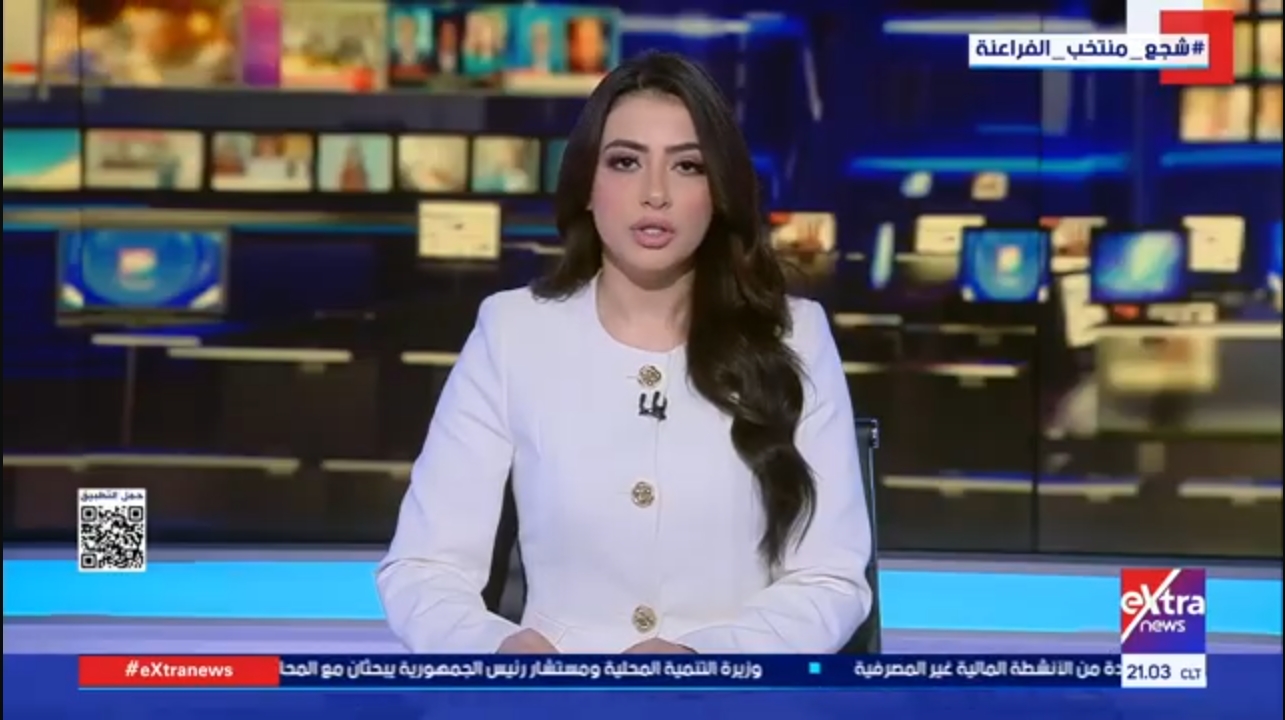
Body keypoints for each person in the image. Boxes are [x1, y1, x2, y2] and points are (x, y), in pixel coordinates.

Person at [377, 51, 872, 654]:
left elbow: (830, 580)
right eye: (625, 162)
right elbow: (422, 570)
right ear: (587, 184)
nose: (654, 193)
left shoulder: (795, 336)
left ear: (718, 192)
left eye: (687, 166)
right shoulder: (513, 332)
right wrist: (496, 650)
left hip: (728, 692)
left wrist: (707, 658)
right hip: (560, 693)